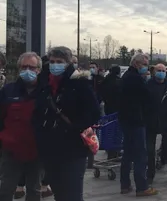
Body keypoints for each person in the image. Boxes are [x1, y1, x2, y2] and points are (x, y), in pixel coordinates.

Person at [31, 46, 101, 200]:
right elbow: (38, 113)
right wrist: (39, 134)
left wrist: (75, 128)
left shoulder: (79, 84)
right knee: (59, 193)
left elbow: (95, 113)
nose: (55, 65)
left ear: (68, 63)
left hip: (73, 149)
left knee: (72, 194)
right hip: (50, 149)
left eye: (60, 62)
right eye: (52, 61)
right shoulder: (45, 84)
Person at [0, 52, 43, 201]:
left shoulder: (45, 92)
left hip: (36, 149)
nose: (28, 70)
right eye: (24, 67)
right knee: (6, 188)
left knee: (34, 190)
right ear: (19, 69)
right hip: (11, 149)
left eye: (32, 67)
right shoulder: (8, 91)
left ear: (38, 69)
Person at [118, 53, 158, 196]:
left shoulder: (126, 77)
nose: (146, 68)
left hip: (125, 120)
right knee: (141, 154)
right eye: (145, 64)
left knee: (128, 153)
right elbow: (147, 97)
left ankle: (125, 184)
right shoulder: (135, 79)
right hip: (136, 120)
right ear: (137, 64)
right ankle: (142, 186)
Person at [145, 64, 167, 185]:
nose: (161, 73)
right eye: (159, 71)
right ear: (154, 72)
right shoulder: (148, 85)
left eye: (163, 71)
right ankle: (150, 175)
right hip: (151, 122)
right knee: (150, 151)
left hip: (166, 122)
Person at [101, 65, 122, 160]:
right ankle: (114, 152)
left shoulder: (106, 80)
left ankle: (110, 151)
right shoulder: (118, 82)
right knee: (116, 131)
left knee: (109, 130)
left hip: (108, 108)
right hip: (117, 109)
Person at [87, 61, 104, 168]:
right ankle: (90, 160)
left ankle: (91, 158)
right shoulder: (87, 79)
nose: (92, 69)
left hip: (98, 106)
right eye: (90, 67)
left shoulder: (100, 80)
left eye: (93, 67)